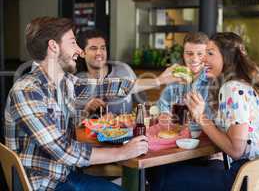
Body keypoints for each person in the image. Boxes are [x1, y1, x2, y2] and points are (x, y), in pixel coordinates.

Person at [4, 16, 183, 191]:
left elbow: (107, 86)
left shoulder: (63, 82)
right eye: (73, 42)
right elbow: (64, 152)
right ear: (53, 46)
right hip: (44, 184)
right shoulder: (27, 91)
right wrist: (123, 152)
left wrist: (160, 80)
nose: (80, 51)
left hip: (65, 176)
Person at [149, 32, 259, 191]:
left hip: (242, 179)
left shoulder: (231, 88)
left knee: (161, 176)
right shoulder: (245, 84)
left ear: (226, 57)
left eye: (209, 53)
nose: (203, 59)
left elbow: (236, 150)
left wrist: (201, 117)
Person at [75, 29, 146, 115]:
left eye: (103, 48)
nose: (99, 53)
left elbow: (142, 102)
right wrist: (87, 109)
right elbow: (74, 122)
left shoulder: (123, 70)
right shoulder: (77, 81)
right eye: (93, 48)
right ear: (82, 53)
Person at [157, 32, 213, 129]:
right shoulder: (176, 77)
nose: (194, 59)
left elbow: (214, 119)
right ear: (183, 54)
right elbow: (162, 104)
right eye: (189, 53)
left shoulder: (212, 80)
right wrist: (164, 114)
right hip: (177, 134)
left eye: (200, 54)